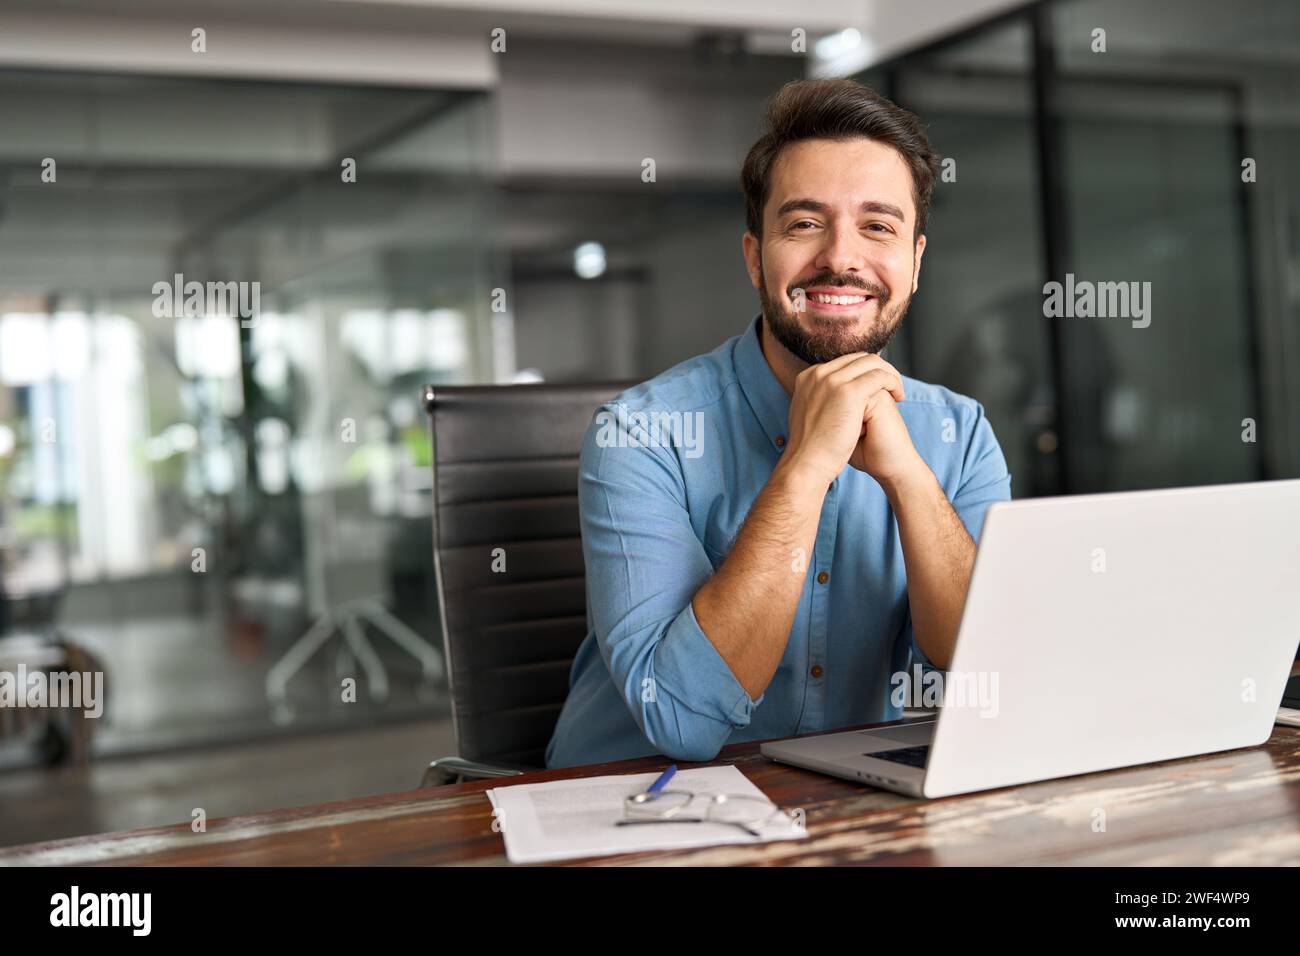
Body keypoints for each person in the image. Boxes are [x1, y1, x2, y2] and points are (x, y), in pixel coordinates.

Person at [546, 78, 1011, 768]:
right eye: (804, 223)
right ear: (755, 258)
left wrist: (910, 478)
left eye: (877, 226)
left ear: (914, 264)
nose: (842, 258)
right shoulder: (640, 434)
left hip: (850, 809)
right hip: (634, 810)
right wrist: (806, 466)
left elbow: (986, 678)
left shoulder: (960, 432)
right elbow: (680, 721)